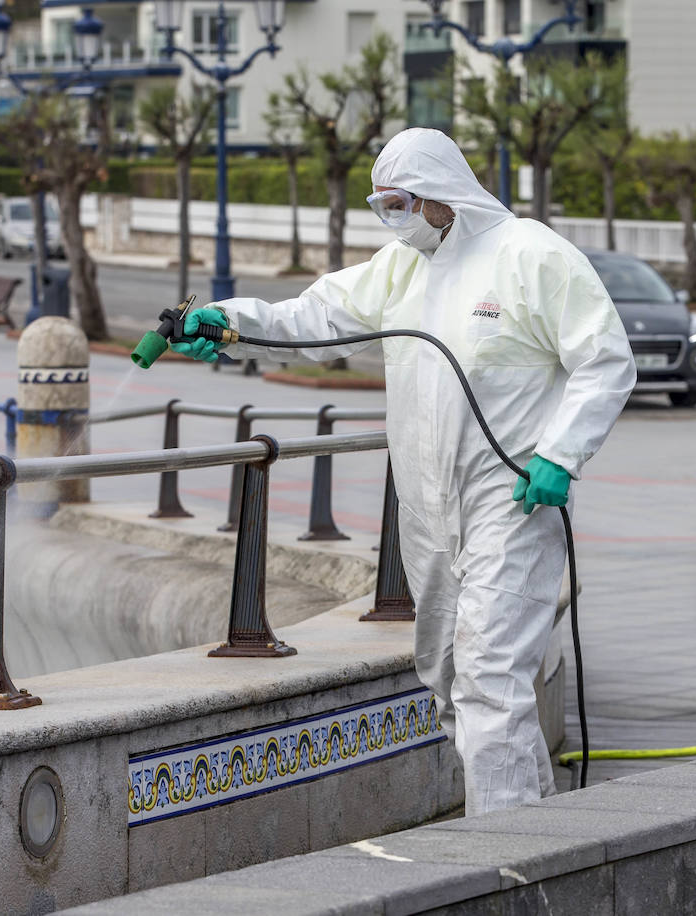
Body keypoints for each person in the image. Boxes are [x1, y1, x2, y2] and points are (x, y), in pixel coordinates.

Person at [173, 128, 636, 814]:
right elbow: (314, 318)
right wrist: (229, 323)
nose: (395, 217)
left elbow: (605, 360)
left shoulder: (529, 254)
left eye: (404, 202)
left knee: (489, 676)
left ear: (444, 194)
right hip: (424, 512)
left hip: (509, 501)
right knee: (451, 680)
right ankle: (542, 827)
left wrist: (560, 455)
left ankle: (500, 860)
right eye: (383, 204)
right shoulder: (399, 268)